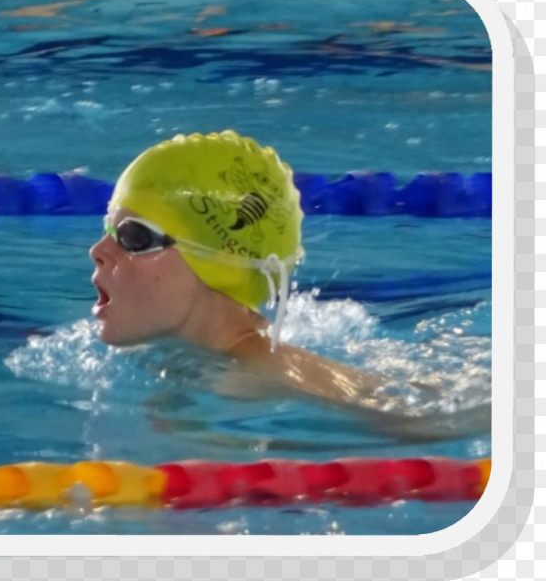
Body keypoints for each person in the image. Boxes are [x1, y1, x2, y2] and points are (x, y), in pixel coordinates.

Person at [89, 130, 489, 440]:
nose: (98, 250)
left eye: (133, 237)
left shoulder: (266, 366)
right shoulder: (168, 356)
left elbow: (428, 421)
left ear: (219, 261)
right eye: (107, 229)